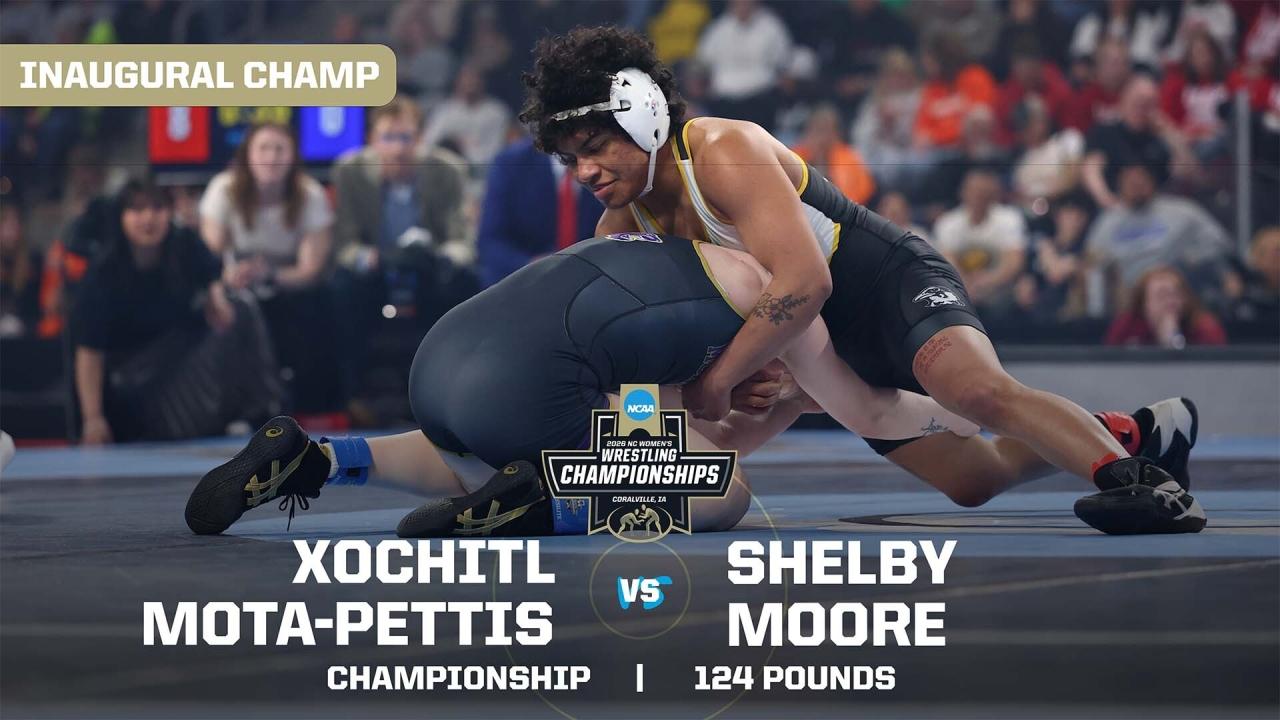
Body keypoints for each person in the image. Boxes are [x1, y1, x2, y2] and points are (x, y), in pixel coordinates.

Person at [516, 25, 1204, 534]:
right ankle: (1133, 432)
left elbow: (804, 281)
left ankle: (1144, 483)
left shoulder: (723, 150)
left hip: (885, 284)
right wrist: (725, 381)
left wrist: (722, 378)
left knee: (974, 390)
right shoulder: (617, 228)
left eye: (595, 148)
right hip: (810, 348)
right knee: (974, 480)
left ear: (643, 115)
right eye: (570, 160)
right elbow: (670, 348)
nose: (584, 173)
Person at [186, 234, 983, 537]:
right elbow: (869, 408)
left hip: (442, 359)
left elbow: (633, 400)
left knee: (491, 448)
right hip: (529, 383)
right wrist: (974, 407)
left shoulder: (679, 254)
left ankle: (322, 458)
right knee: (723, 489)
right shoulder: (789, 306)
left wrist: (740, 398)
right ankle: (546, 505)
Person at [72, 179, 281, 444]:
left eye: (157, 208)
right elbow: (89, 353)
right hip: (137, 382)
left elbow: (211, 271)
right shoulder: (103, 274)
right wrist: (93, 419)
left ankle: (265, 413)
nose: (148, 218)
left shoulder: (183, 244)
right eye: (137, 209)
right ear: (121, 217)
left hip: (180, 357)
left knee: (241, 307)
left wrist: (215, 295)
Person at [199, 123, 338, 413]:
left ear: (293, 156)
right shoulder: (223, 189)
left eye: (280, 149)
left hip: (290, 287)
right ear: (247, 155)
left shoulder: (311, 195)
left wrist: (271, 275)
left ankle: (310, 407)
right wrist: (232, 276)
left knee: (319, 304)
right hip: (236, 286)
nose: (271, 157)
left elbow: (310, 270)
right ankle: (234, 406)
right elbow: (210, 257)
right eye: (263, 148)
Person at [476, 136, 603, 287]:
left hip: (592, 281)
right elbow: (491, 241)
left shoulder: (605, 159)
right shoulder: (511, 163)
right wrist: (532, 266)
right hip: (525, 284)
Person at [1105, 265, 1227, 347]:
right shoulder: (1126, 326)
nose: (1170, 302)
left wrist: (1173, 340)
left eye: (1176, 294)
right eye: (1161, 296)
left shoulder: (1204, 327)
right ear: (1144, 303)